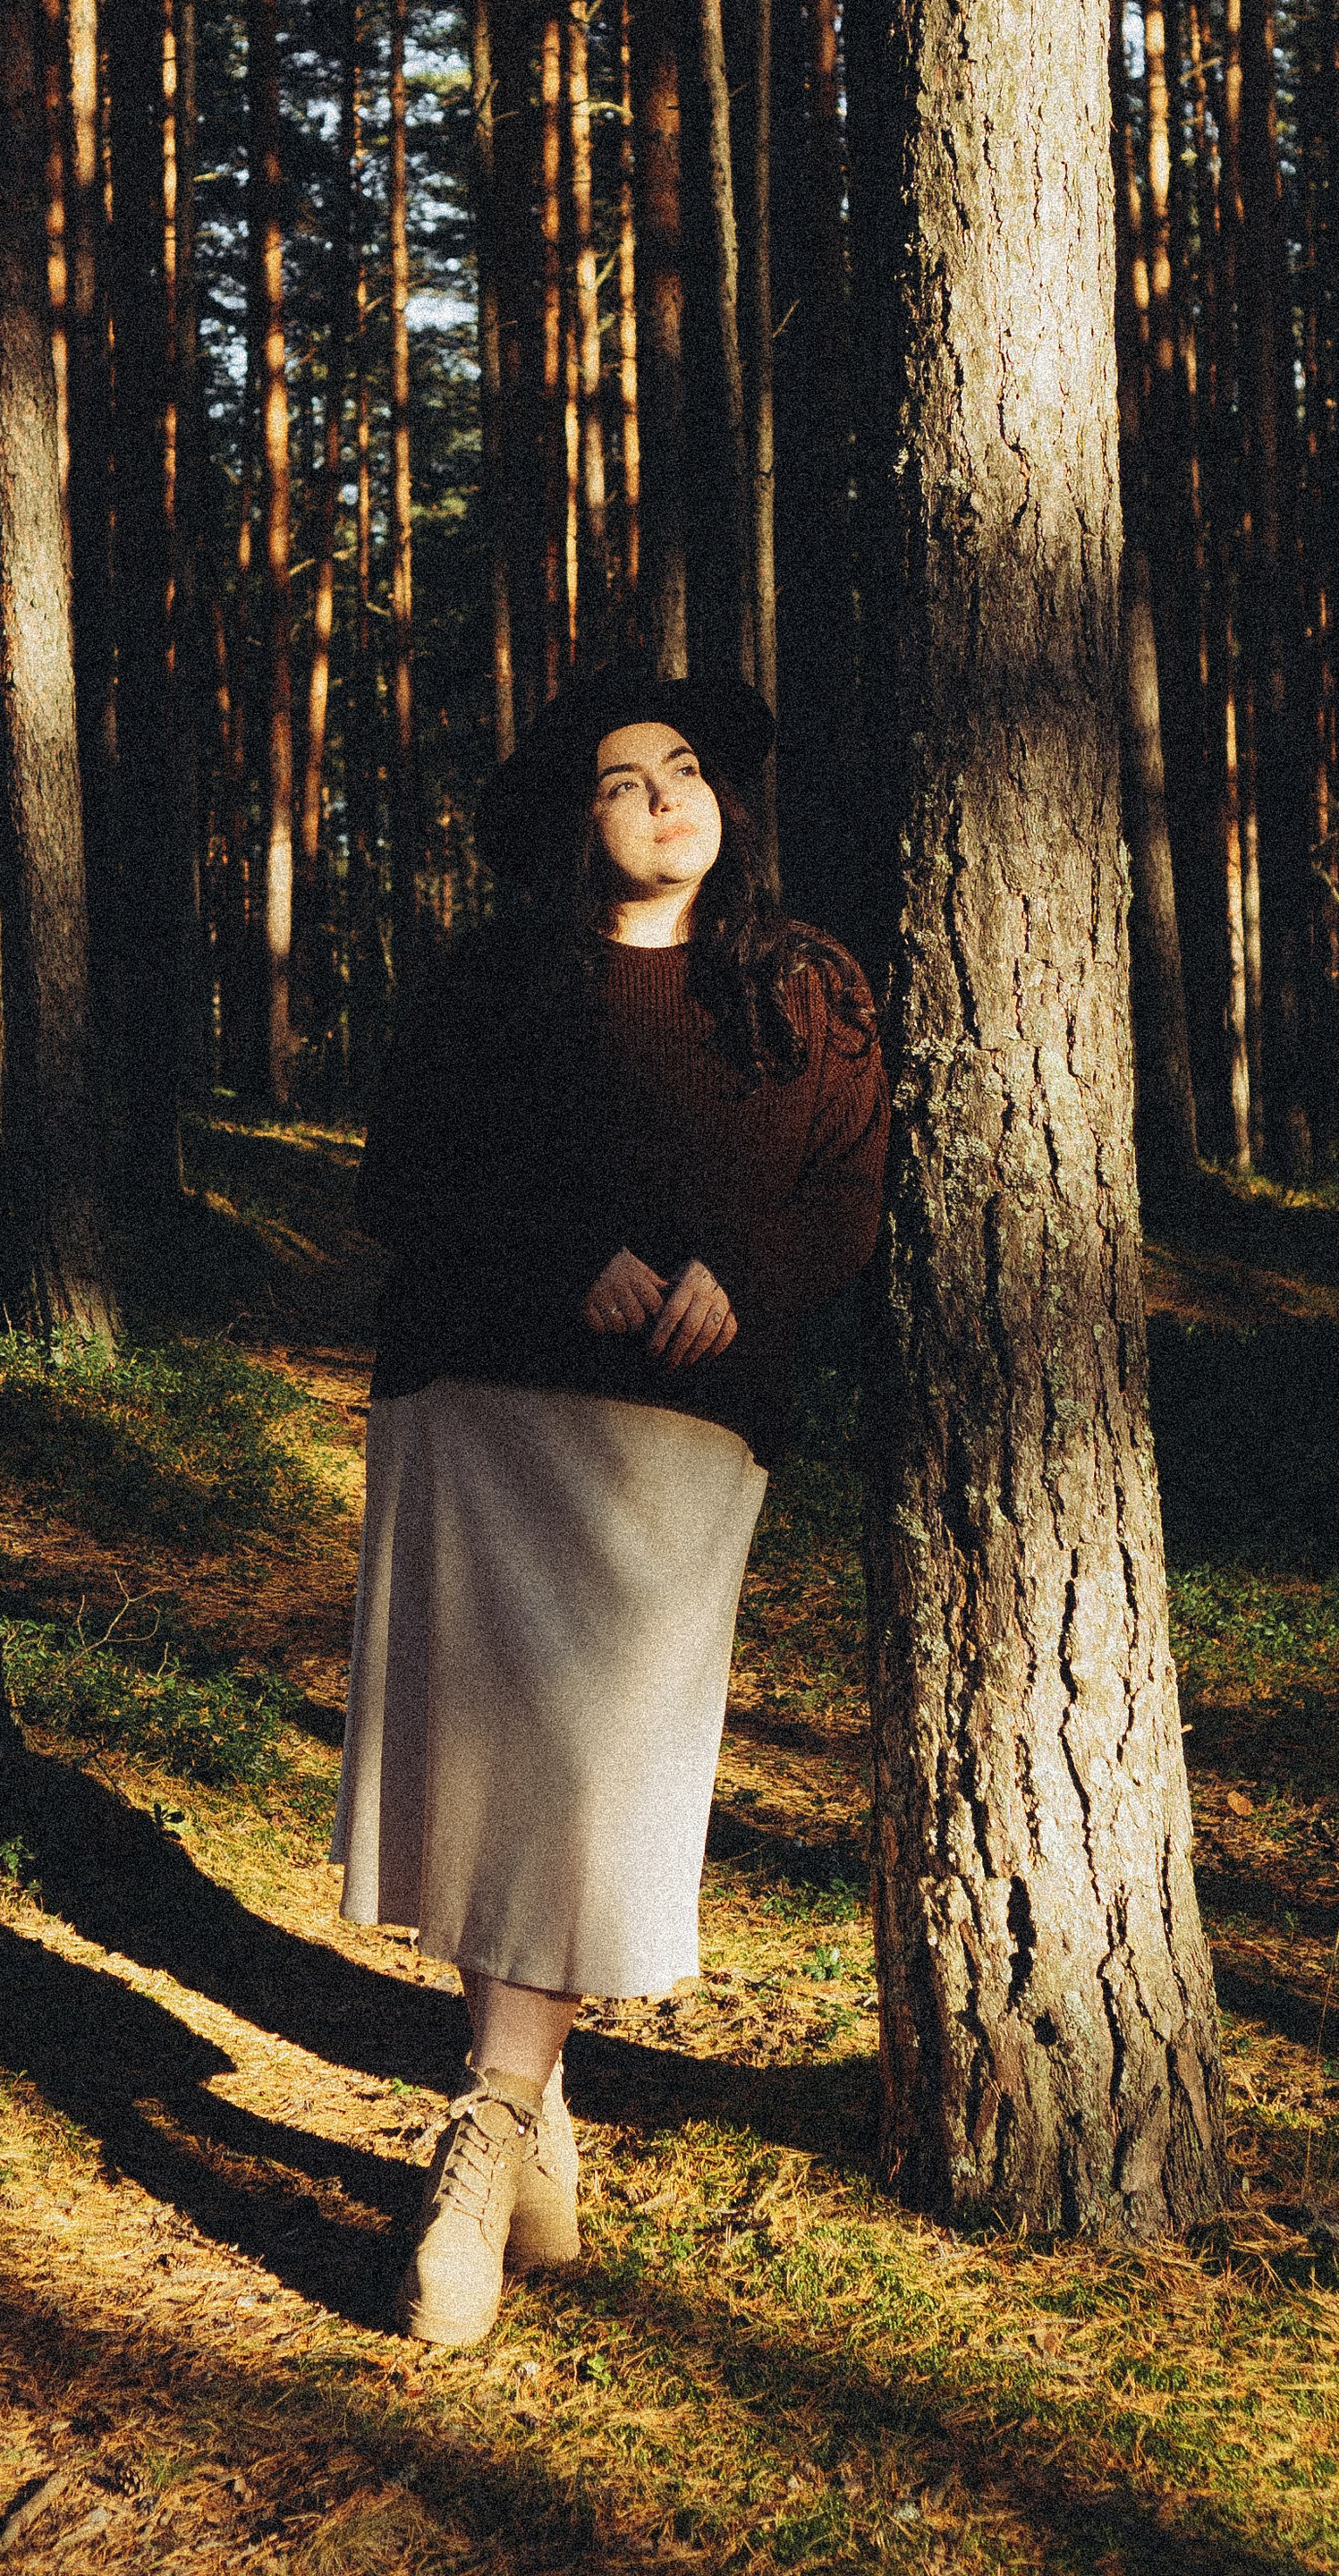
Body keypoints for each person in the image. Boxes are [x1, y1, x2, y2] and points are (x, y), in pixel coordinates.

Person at [332, 664, 890, 2347]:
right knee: (497, 1770)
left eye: (691, 767)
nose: (667, 795)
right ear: (573, 825)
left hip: (682, 1438)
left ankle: (485, 2131)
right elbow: (401, 1176)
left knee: (591, 1769)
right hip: (483, 1399)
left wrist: (753, 1281)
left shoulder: (805, 990)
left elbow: (850, 1193)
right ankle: (527, 2113)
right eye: (624, 777)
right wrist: (559, 1258)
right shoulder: (497, 982)